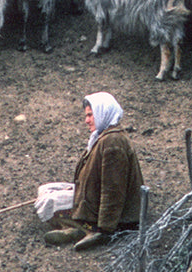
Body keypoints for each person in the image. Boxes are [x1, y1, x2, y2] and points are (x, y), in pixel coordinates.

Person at [44, 92, 144, 250]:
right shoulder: (104, 136)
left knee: (50, 204)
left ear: (102, 112)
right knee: (46, 190)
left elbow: (113, 189)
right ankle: (76, 229)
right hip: (96, 197)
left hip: (120, 217)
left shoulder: (112, 143)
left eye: (91, 115)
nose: (87, 120)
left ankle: (86, 230)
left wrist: (104, 228)